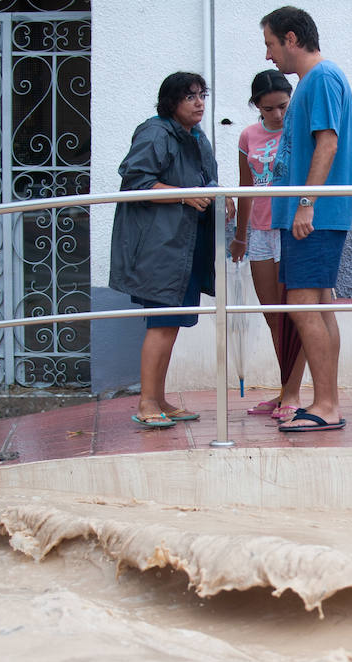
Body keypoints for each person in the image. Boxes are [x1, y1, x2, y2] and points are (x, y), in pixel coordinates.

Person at [110, 71, 228, 428]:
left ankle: (159, 398)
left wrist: (222, 196)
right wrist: (184, 194)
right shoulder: (155, 131)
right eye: (190, 97)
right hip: (161, 247)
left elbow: (205, 180)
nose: (199, 103)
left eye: (201, 96)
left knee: (172, 323)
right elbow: (136, 180)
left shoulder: (196, 136)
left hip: (186, 245)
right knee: (161, 323)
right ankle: (147, 402)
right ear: (171, 102)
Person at [261, 6, 352, 433]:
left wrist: (305, 202)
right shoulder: (313, 81)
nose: (269, 56)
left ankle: (326, 404)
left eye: (271, 44)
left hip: (314, 216)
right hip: (314, 214)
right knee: (318, 305)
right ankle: (326, 400)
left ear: (292, 38)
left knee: (302, 305)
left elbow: (328, 144)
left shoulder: (320, 78)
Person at [230, 69, 306, 422]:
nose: (277, 115)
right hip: (259, 232)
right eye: (268, 108)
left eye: (283, 106)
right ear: (256, 107)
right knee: (273, 317)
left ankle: (293, 393)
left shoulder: (300, 130)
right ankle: (282, 391)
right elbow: (245, 188)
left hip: (290, 228)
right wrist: (239, 235)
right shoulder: (248, 136)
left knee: (298, 315)